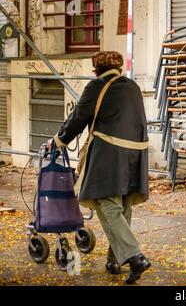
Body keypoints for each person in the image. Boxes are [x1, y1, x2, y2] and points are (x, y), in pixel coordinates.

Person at [48, 51, 150, 284]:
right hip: (136, 153)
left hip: (110, 152)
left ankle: (134, 257)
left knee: (105, 201)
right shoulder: (132, 86)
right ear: (119, 68)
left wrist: (58, 140)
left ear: (96, 69)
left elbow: (78, 117)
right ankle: (115, 260)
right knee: (123, 204)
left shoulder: (97, 86)